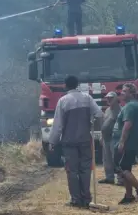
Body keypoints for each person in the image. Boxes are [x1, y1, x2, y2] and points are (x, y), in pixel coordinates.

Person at [48, 75, 104, 209]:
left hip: (69, 142)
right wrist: (93, 125)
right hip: (85, 140)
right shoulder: (87, 98)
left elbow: (58, 125)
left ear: (65, 86)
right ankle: (86, 198)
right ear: (77, 84)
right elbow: (99, 114)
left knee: (72, 171)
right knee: (85, 169)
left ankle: (76, 199)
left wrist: (52, 142)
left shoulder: (63, 101)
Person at [113, 83, 138, 204]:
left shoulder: (130, 107)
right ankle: (128, 195)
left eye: (124, 91)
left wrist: (122, 142)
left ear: (131, 93)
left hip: (128, 143)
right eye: (122, 91)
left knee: (122, 169)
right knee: (127, 168)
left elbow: (127, 125)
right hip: (134, 142)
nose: (121, 93)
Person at [98, 91, 123, 186]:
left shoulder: (120, 110)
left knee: (116, 159)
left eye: (111, 98)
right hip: (106, 137)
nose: (109, 99)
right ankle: (109, 177)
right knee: (106, 159)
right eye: (108, 98)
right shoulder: (107, 110)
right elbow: (104, 123)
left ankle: (121, 179)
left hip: (115, 138)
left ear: (116, 99)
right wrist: (101, 136)